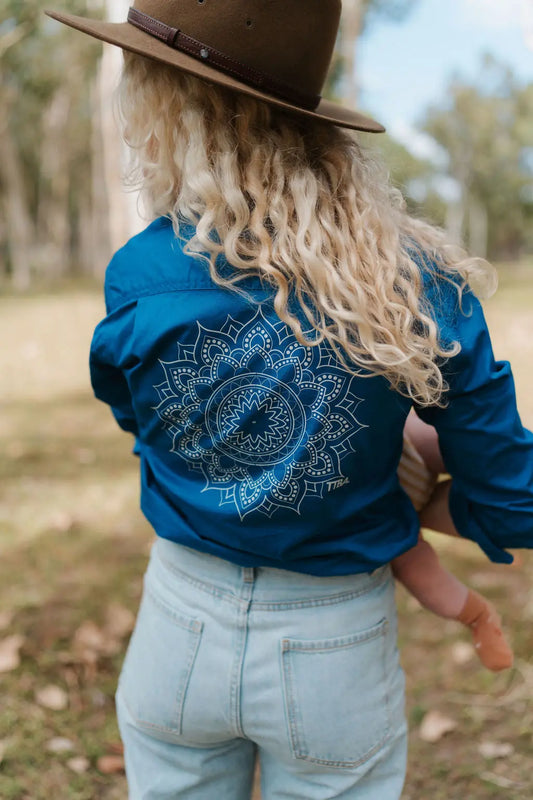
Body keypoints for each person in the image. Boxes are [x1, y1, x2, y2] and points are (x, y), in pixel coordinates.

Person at [47, 2, 533, 798]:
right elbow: (514, 501)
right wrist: (414, 496)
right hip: (333, 645)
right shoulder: (418, 291)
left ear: (168, 111)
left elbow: (140, 418)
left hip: (180, 621)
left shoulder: (139, 276)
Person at [396, 415, 514, 672]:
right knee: (417, 571)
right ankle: (479, 616)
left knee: (463, 447)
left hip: (403, 446)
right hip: (384, 522)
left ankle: (516, 464)